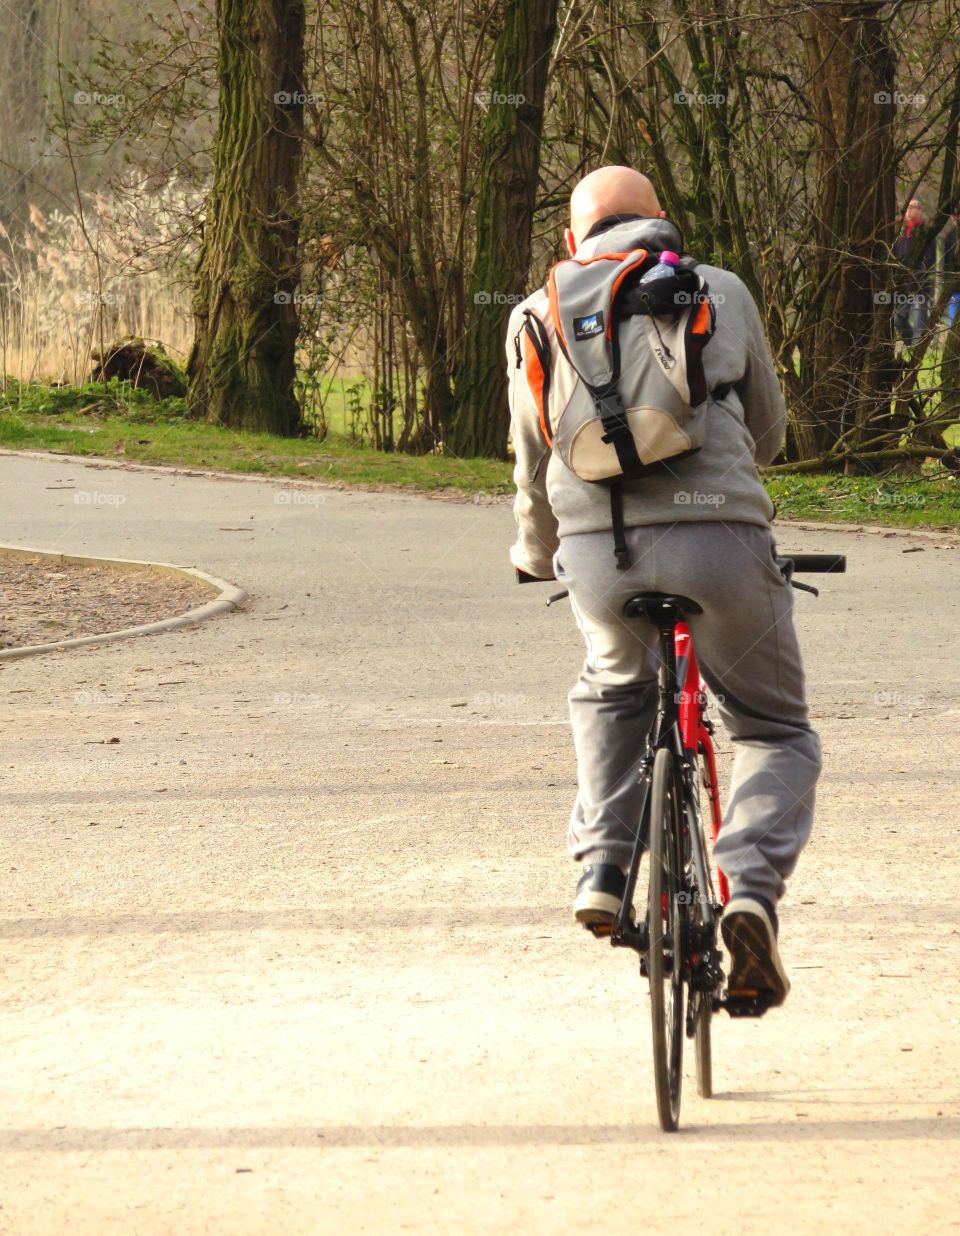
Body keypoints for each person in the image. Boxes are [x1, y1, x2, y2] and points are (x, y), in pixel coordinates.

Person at [506, 165, 821, 1007]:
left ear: (574, 241)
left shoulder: (536, 314)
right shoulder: (716, 288)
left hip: (600, 556)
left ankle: (604, 867)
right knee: (774, 727)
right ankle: (748, 891)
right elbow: (768, 431)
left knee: (613, 682)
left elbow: (533, 463)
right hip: (722, 543)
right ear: (661, 225)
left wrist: (537, 554)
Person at [893, 198, 937, 348]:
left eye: (916, 207)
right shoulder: (901, 233)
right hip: (902, 286)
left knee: (920, 325)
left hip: (921, 287)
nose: (912, 210)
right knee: (898, 320)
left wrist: (916, 277)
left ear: (920, 211)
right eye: (909, 207)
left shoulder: (927, 233)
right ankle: (912, 345)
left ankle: (916, 352)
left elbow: (930, 259)